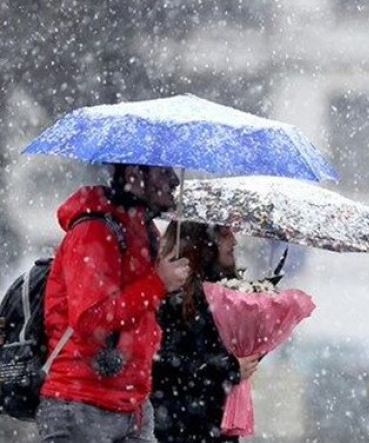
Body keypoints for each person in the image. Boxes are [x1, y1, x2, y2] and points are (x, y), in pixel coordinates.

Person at [36, 164, 190, 442]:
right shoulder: (94, 231)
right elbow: (89, 320)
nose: (174, 180)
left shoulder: (144, 232)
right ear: (134, 173)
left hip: (133, 406)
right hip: (82, 407)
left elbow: (138, 314)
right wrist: (157, 284)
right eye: (163, 171)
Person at [152, 221, 260, 443]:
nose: (234, 240)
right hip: (178, 427)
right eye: (224, 232)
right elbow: (161, 363)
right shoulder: (172, 295)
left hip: (217, 425)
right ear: (202, 239)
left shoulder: (228, 293)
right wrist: (227, 367)